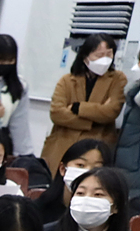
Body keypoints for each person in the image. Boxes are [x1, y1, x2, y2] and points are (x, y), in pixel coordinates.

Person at [46, 34, 128, 172]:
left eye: (109, 54)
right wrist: (94, 120)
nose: (105, 60)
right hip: (63, 145)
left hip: (98, 148)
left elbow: (111, 112)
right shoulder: (67, 80)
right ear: (85, 57)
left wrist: (78, 108)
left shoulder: (117, 79)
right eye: (99, 55)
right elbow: (57, 113)